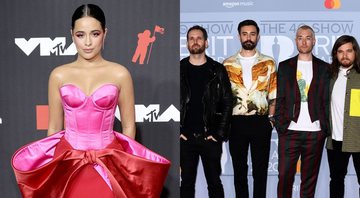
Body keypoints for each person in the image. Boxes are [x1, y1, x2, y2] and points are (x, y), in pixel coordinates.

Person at [11, 4, 170, 198]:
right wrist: (52, 170)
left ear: (105, 34)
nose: (87, 42)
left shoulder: (120, 74)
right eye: (80, 35)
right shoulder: (59, 75)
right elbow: (53, 128)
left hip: (108, 162)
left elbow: (129, 127)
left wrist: (123, 164)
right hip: (68, 161)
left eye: (94, 34)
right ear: (72, 35)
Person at [274, 25, 330, 198]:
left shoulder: (325, 68)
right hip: (290, 130)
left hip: (315, 132)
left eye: (308, 38)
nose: (304, 41)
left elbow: (327, 100)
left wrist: (324, 128)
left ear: (314, 41)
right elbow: (280, 97)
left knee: (309, 181)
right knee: (284, 177)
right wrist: (280, 124)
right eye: (300, 37)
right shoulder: (284, 66)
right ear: (295, 41)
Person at [223, 19, 276, 198]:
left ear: (258, 36)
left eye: (252, 34)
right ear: (239, 36)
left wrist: (271, 120)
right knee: (239, 170)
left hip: (261, 122)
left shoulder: (269, 62)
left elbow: (274, 94)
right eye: (245, 34)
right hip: (236, 122)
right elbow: (224, 97)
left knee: (260, 170)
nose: (248, 37)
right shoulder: (227, 64)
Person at [180, 25, 233, 198]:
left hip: (210, 138)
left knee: (214, 184)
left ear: (206, 42)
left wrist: (219, 133)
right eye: (191, 38)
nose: (195, 41)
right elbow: (170, 102)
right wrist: (177, 131)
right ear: (187, 43)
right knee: (186, 184)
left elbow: (227, 102)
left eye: (199, 38)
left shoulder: (217, 70)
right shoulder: (178, 69)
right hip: (185, 139)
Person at [326, 35, 360, 198]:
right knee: (336, 180)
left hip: (358, 138)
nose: (344, 55)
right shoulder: (329, 76)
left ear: (355, 52)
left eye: (348, 51)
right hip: (335, 140)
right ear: (335, 54)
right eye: (340, 51)